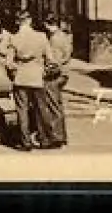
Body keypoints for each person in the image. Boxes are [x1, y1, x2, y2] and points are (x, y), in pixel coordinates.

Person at [3, 10, 54, 151]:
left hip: (21, 78)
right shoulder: (41, 37)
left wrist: (15, 71)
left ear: (18, 22)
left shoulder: (14, 38)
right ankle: (44, 139)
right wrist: (44, 71)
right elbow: (51, 60)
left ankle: (25, 142)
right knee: (41, 109)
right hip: (37, 77)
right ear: (30, 21)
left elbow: (8, 63)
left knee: (22, 111)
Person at [41, 16, 73, 149]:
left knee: (52, 106)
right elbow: (67, 55)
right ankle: (62, 136)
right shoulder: (64, 36)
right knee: (58, 105)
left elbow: (54, 61)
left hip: (55, 75)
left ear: (47, 25)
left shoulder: (54, 39)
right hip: (64, 74)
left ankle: (56, 138)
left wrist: (45, 72)